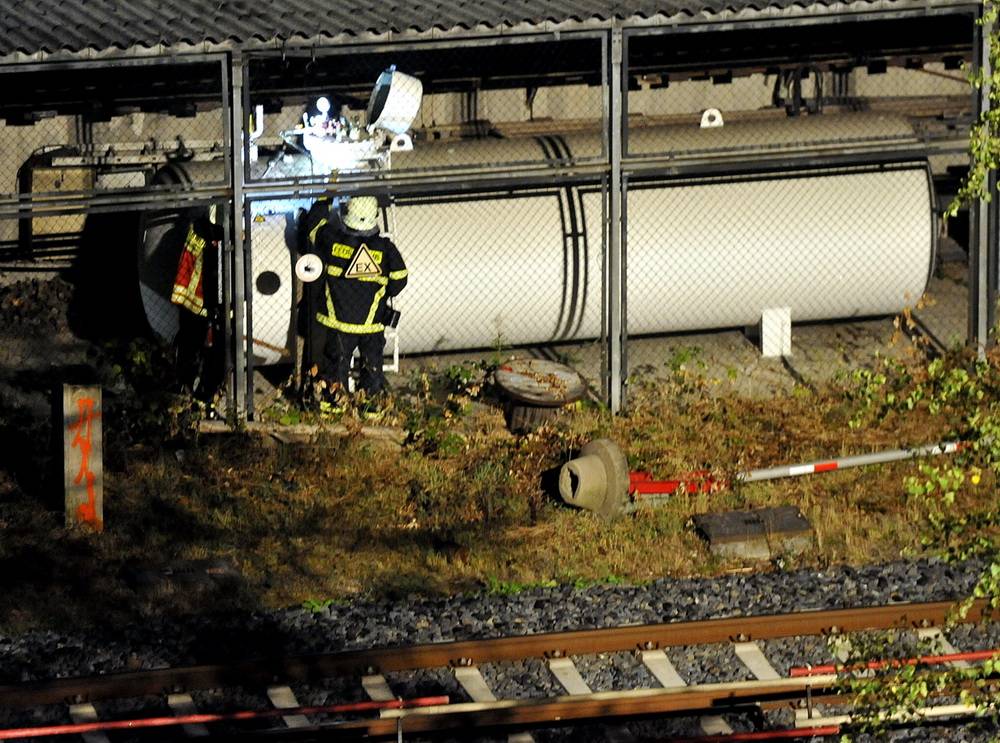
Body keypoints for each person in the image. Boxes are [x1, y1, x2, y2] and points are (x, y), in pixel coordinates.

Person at [303, 195, 407, 396]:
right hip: (371, 324)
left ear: (346, 216)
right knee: (372, 366)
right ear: (375, 216)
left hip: (338, 324)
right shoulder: (385, 248)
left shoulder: (333, 242)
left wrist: (326, 197)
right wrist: (381, 292)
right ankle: (371, 407)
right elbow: (400, 279)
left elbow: (314, 226)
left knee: (336, 365)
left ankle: (334, 406)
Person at [171, 212, 225, 402]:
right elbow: (189, 266)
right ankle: (188, 390)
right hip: (196, 305)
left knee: (212, 352)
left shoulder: (213, 234)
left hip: (208, 305)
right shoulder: (199, 233)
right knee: (192, 348)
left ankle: (204, 393)